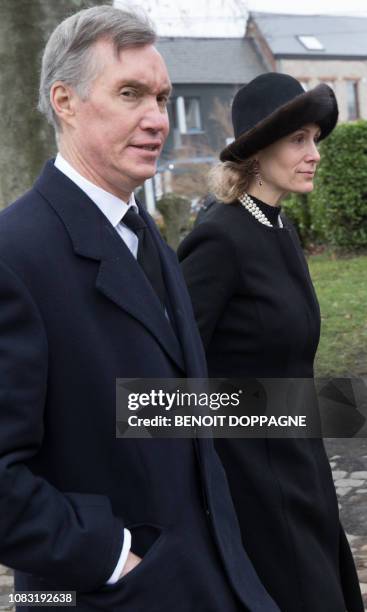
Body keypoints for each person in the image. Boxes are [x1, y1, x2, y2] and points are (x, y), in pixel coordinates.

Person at [0, 8, 282, 612]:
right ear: (65, 102)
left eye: (161, 97)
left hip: (214, 578)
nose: (157, 120)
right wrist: (115, 556)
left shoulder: (145, 234)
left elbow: (155, 402)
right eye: (130, 94)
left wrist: (314, 418)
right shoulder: (13, 254)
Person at [178, 73, 364, 612]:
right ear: (257, 151)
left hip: (302, 465)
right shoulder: (220, 237)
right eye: (298, 140)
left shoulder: (278, 227)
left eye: (315, 139)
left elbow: (285, 361)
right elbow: (170, 373)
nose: (314, 154)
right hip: (255, 485)